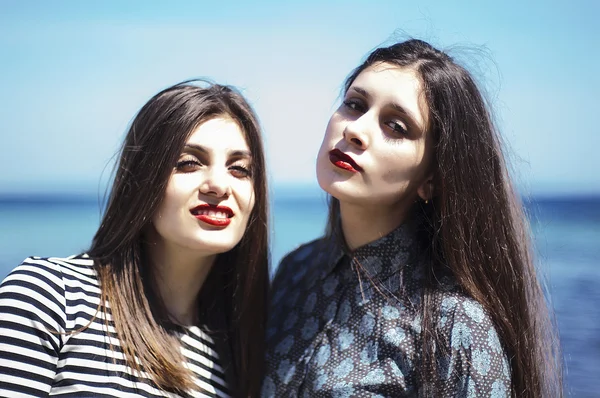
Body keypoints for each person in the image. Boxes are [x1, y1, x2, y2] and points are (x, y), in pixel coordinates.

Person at [262, 39, 562, 397]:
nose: (355, 130)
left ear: (431, 179)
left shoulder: (456, 327)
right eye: (355, 105)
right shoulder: (295, 271)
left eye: (396, 126)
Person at [0, 81, 269, 397]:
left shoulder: (231, 362)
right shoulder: (51, 296)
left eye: (240, 169)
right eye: (189, 163)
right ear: (143, 179)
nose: (219, 185)